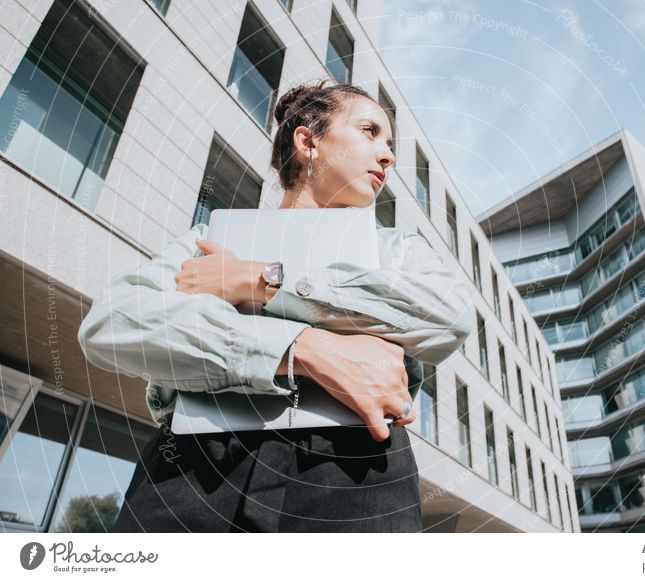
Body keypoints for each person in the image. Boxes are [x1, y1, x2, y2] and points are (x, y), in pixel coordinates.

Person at [77, 79, 475, 532]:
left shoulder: (398, 250)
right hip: (195, 466)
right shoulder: (208, 242)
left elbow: (449, 316)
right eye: (369, 131)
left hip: (355, 470)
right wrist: (301, 348)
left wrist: (262, 281)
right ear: (307, 141)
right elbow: (112, 322)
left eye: (389, 142)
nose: (388, 155)